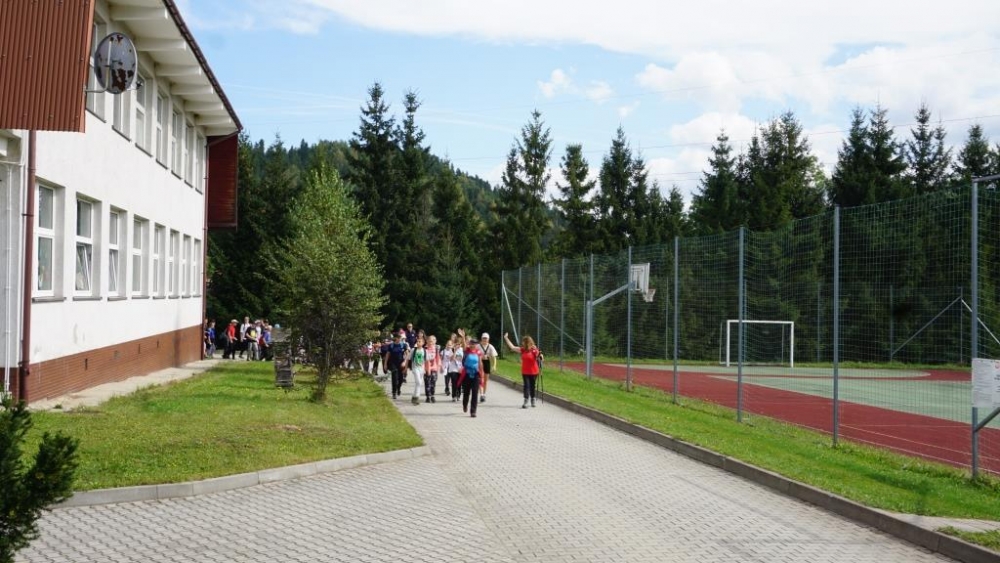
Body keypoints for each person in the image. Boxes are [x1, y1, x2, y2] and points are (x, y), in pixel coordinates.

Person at [503, 332, 543, 408]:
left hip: (534, 372)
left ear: (527, 343)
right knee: (526, 386)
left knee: (532, 386)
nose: (522, 343)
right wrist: (506, 338)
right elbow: (512, 347)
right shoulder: (523, 350)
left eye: (523, 342)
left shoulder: (534, 350)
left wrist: (540, 354)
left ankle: (533, 399)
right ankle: (526, 401)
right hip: (525, 372)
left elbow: (540, 356)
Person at [458, 335, 483, 417]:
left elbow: (480, 363)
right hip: (467, 374)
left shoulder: (478, 352)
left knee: (475, 393)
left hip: (475, 374)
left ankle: (473, 411)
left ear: (477, 345)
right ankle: (465, 405)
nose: (473, 345)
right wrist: (463, 337)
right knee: (466, 392)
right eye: (472, 344)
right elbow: (464, 345)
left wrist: (481, 373)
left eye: (475, 344)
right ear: (470, 344)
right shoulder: (467, 351)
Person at [384, 332, 408, 399]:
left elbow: (407, 354)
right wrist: (385, 364)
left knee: (400, 379)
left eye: (400, 338)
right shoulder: (391, 346)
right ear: (395, 338)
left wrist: (405, 362)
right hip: (393, 363)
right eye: (398, 338)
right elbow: (387, 355)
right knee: (394, 377)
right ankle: (394, 393)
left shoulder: (403, 345)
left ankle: (398, 388)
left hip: (401, 363)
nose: (399, 339)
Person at [478, 333, 498, 403]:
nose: (484, 340)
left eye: (486, 338)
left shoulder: (490, 346)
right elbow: (474, 353)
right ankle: (481, 394)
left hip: (487, 363)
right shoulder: (478, 346)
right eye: (483, 338)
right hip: (480, 363)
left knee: (486, 380)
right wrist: (480, 357)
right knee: (481, 379)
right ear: (481, 339)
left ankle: (484, 394)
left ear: (488, 339)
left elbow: (494, 357)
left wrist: (494, 365)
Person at [424, 335, 441, 402]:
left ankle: (432, 395)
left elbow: (438, 358)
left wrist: (439, 366)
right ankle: (428, 396)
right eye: (430, 341)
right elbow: (423, 359)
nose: (431, 342)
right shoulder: (425, 349)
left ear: (435, 341)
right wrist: (423, 368)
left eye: (433, 340)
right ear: (427, 341)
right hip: (426, 368)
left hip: (434, 368)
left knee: (433, 382)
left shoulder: (436, 349)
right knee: (427, 382)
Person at [409, 336, 426, 405]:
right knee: (418, 382)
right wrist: (405, 365)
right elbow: (408, 358)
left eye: (420, 341)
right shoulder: (413, 350)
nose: (418, 343)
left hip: (422, 369)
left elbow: (426, 361)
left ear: (423, 343)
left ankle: (414, 396)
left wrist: (426, 369)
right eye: (417, 341)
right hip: (415, 368)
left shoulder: (424, 351)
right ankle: (416, 397)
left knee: (419, 383)